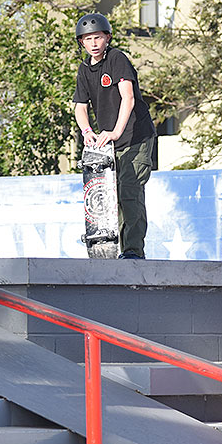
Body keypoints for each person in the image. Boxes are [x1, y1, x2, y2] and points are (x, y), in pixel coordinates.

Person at [72, 13, 157, 260]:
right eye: (88, 39)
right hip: (108, 144)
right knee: (110, 196)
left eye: (98, 37)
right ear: (82, 43)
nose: (94, 43)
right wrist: (87, 132)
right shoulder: (85, 69)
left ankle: (132, 252)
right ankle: (109, 251)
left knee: (129, 191)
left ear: (107, 37)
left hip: (135, 137)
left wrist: (116, 132)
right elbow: (80, 106)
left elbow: (128, 97)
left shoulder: (117, 58)